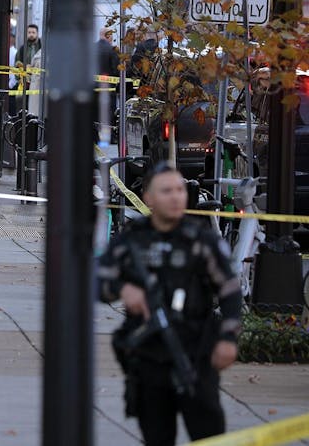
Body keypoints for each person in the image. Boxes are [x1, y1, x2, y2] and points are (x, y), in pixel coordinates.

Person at [97, 162, 242, 446]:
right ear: (149, 198)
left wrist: (228, 338)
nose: (176, 197)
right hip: (148, 358)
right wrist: (122, 289)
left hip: (195, 352)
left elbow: (230, 291)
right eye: (166, 191)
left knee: (209, 431)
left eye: (179, 190)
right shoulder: (132, 240)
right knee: (156, 435)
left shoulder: (201, 240)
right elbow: (97, 282)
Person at [97, 26, 121, 140]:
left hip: (94, 88)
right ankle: (110, 137)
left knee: (95, 112)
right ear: (109, 36)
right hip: (109, 88)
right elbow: (116, 70)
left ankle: (95, 137)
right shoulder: (112, 50)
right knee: (110, 112)